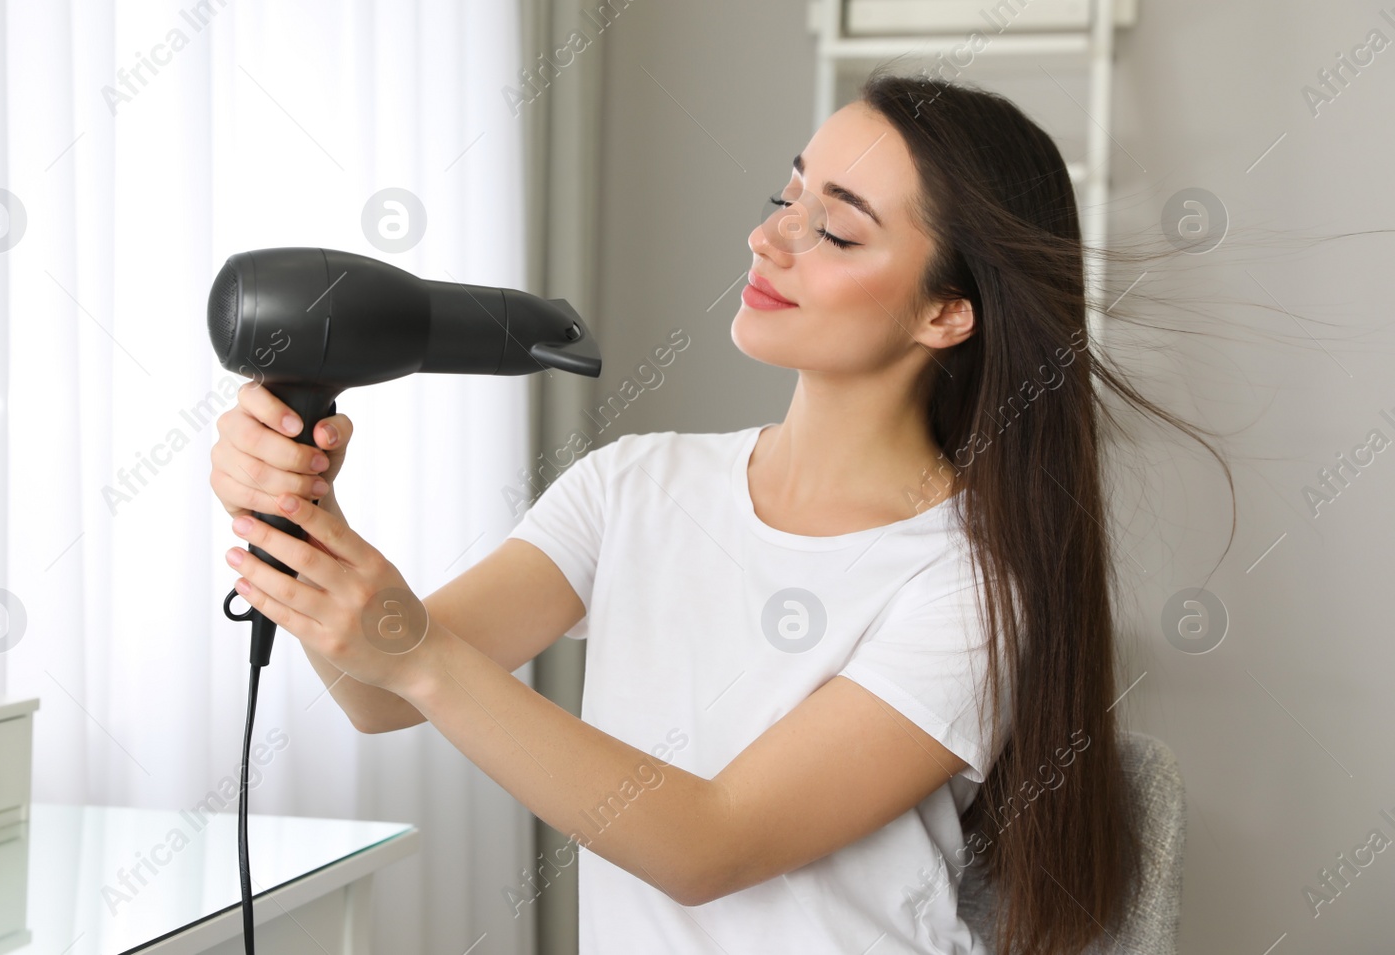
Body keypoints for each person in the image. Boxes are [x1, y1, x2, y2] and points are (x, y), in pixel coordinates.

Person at [209, 70, 1223, 954]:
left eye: (832, 227)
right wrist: (303, 517)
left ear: (944, 311)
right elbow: (378, 694)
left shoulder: (962, 587)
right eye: (785, 196)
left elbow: (709, 842)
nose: (769, 236)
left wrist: (419, 650)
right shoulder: (634, 487)